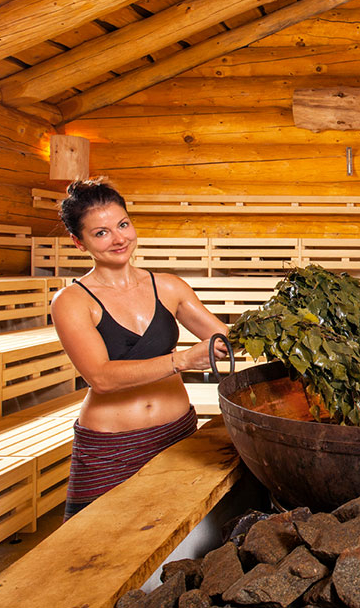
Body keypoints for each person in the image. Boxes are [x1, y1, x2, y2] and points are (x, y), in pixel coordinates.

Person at [51, 179, 229, 519]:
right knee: (95, 551)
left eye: (122, 225)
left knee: (183, 547)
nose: (119, 239)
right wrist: (184, 359)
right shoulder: (72, 301)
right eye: (101, 233)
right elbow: (101, 378)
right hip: (112, 446)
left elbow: (223, 339)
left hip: (177, 435)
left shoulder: (168, 287)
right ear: (78, 242)